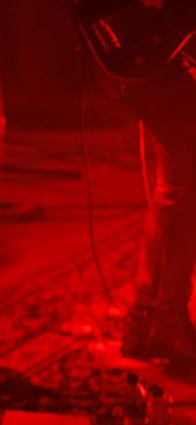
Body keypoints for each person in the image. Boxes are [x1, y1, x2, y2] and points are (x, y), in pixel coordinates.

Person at [113, 2, 196, 365]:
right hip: (154, 56)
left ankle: (149, 324)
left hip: (163, 54)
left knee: (180, 188)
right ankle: (161, 324)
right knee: (182, 191)